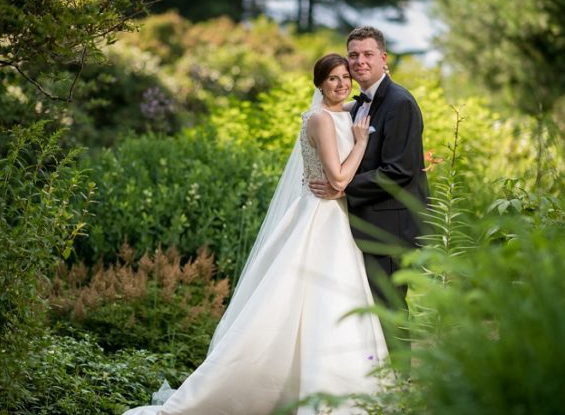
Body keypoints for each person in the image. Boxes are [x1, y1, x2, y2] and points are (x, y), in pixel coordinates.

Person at [125, 54, 388, 415]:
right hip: (319, 218)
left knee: (331, 301)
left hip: (337, 221)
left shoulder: (347, 114)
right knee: (296, 301)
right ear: (319, 85)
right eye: (332, 79)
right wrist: (360, 143)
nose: (341, 84)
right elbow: (338, 180)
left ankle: (337, 388)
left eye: (345, 77)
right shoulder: (321, 120)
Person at [309, 27, 429, 358]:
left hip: (390, 223)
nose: (359, 61)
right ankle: (374, 379)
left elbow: (398, 170)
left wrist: (342, 188)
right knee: (367, 304)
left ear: (383, 58)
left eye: (367, 54)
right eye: (354, 55)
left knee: (388, 305)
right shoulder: (357, 104)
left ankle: (400, 383)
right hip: (365, 222)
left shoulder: (399, 103)